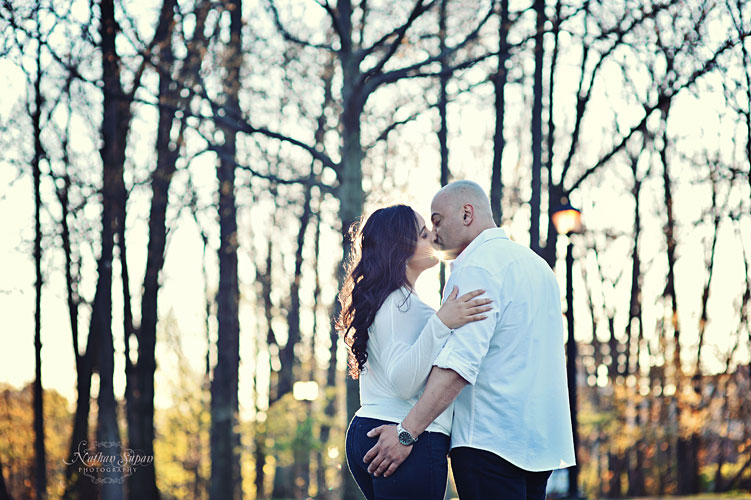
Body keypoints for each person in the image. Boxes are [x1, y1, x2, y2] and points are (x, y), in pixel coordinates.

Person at [362, 181, 576, 500]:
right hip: (539, 444)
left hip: (488, 443)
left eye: (437, 220)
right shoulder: (539, 268)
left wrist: (406, 433)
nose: (434, 234)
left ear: (466, 213)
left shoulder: (476, 267)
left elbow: (457, 368)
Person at [337, 204, 493, 500]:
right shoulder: (400, 304)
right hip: (400, 438)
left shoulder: (391, 300)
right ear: (401, 248)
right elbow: (403, 381)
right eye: (423, 234)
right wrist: (442, 323)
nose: (433, 237)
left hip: (372, 431)